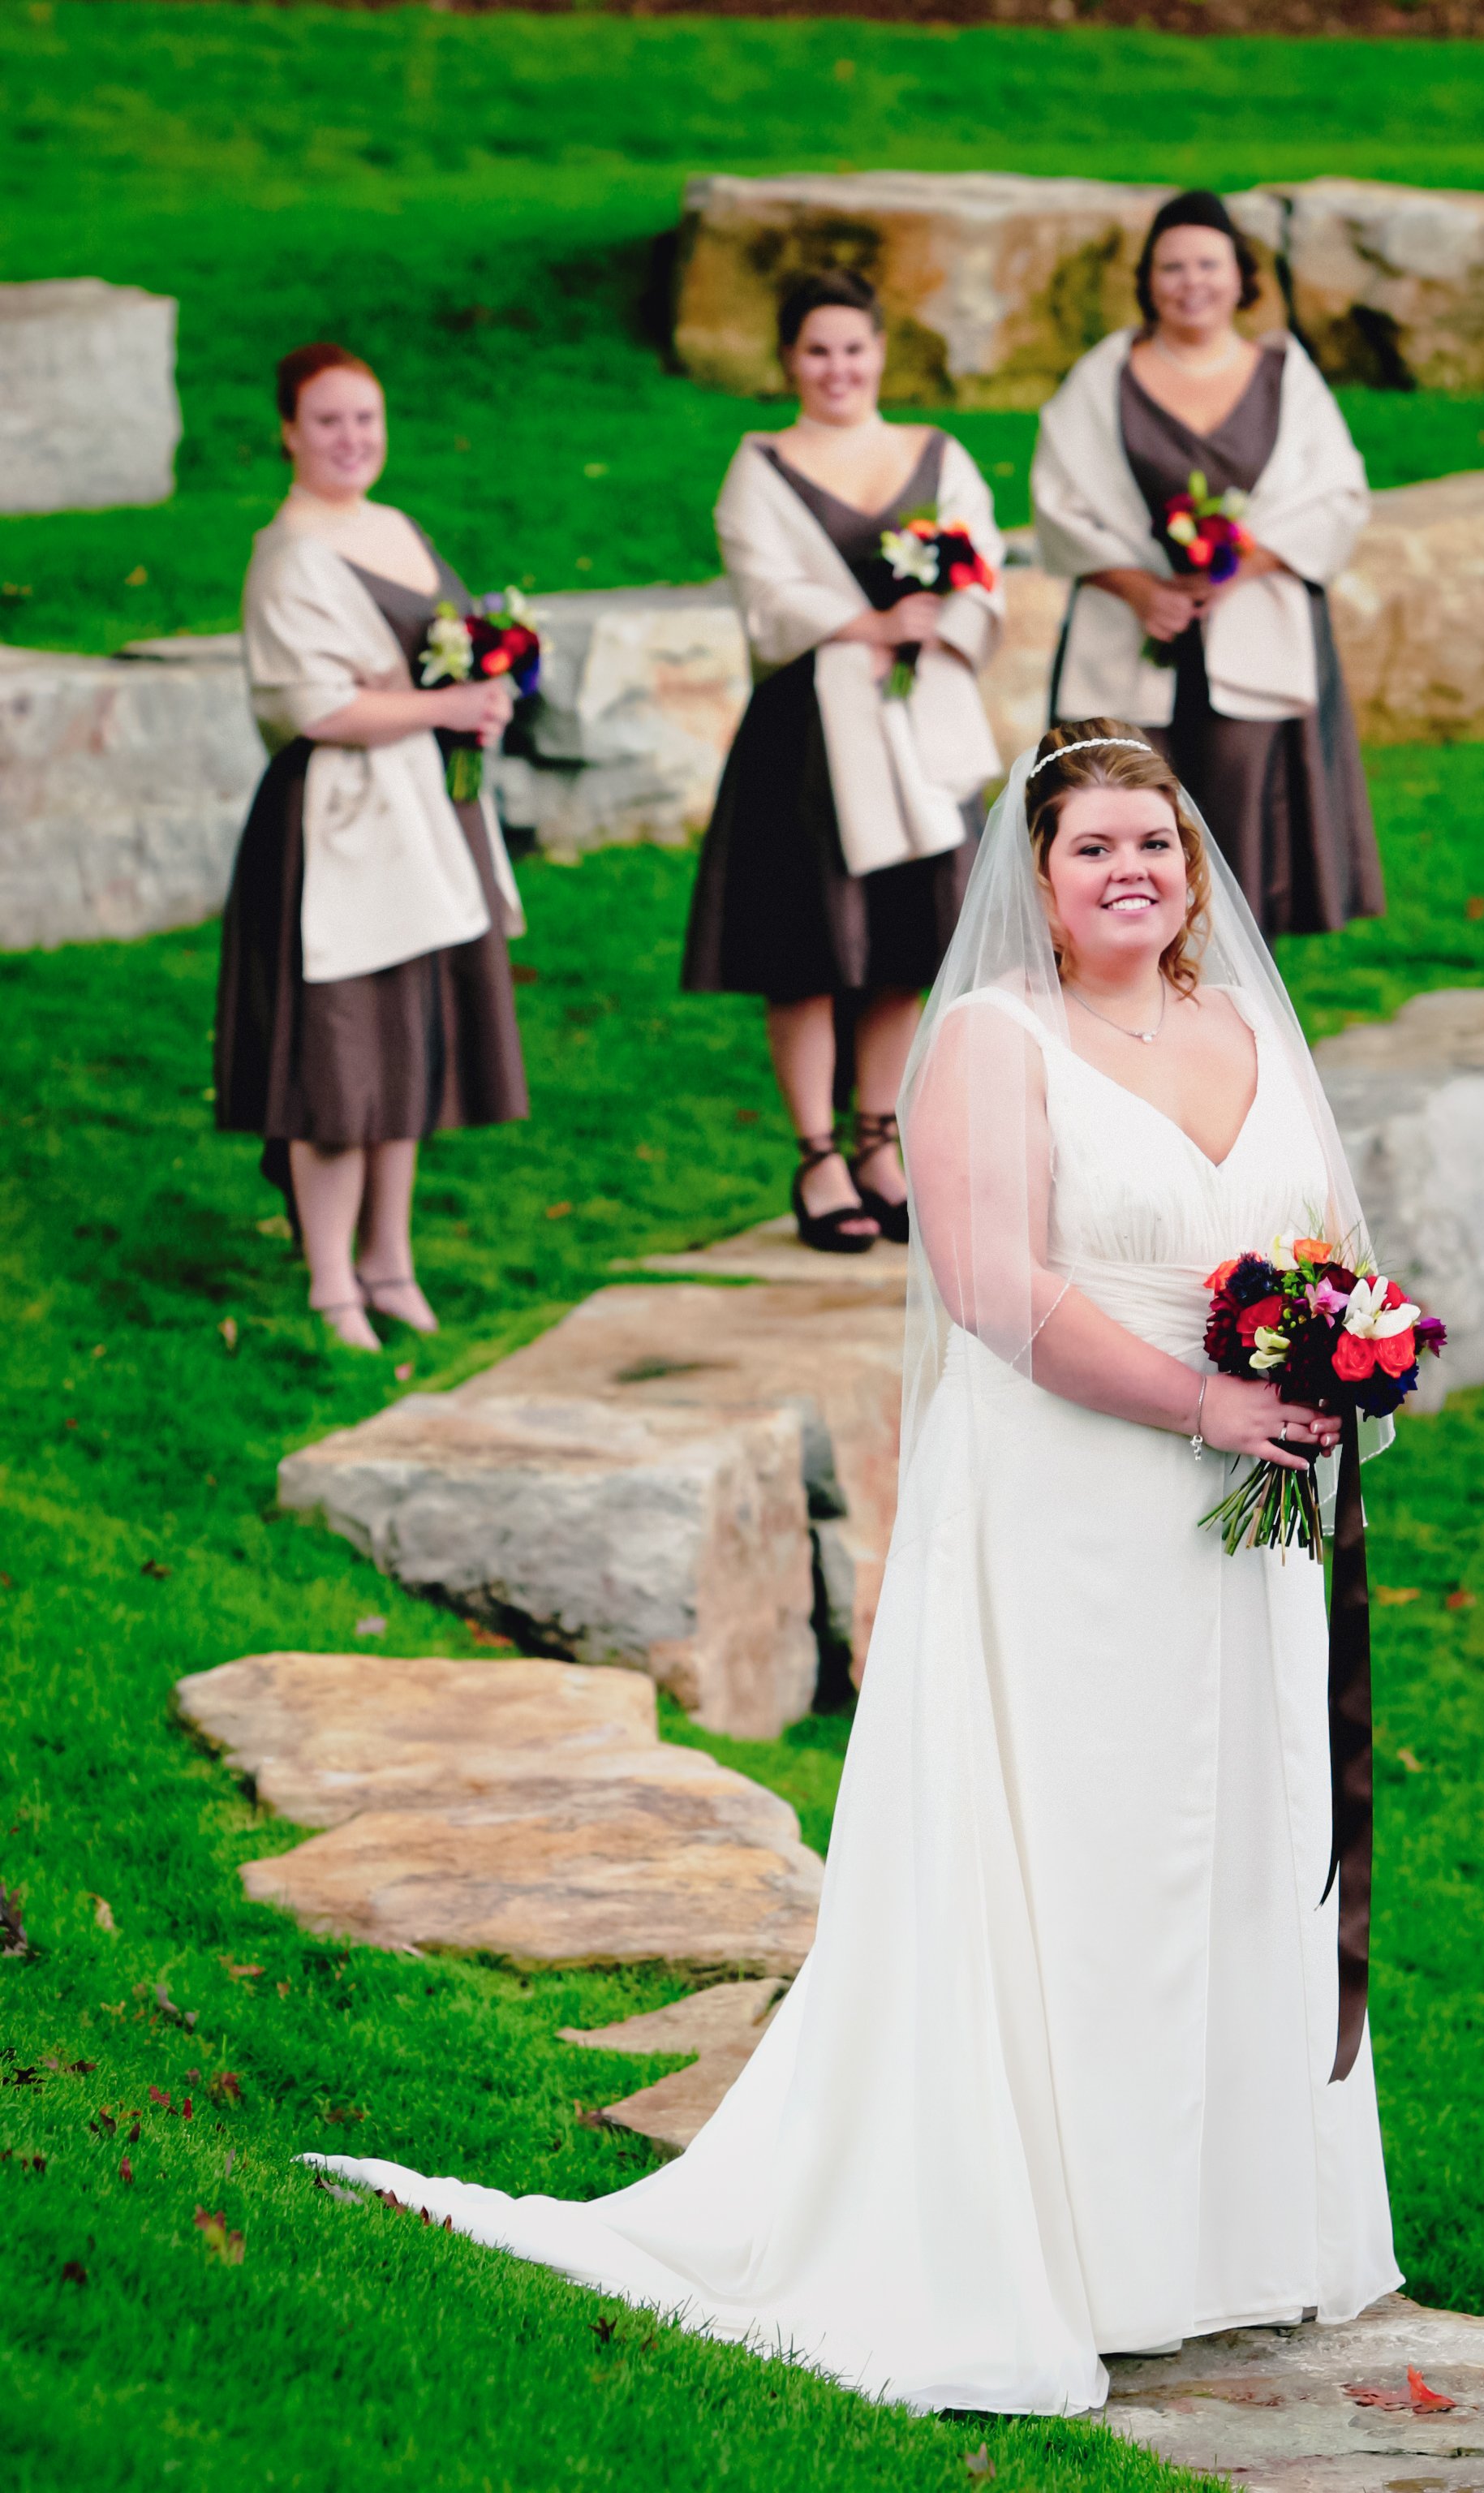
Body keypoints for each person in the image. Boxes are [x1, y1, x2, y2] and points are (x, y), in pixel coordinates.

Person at [312, 722, 1401, 2414]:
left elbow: (1321, 1242)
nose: (1131, 871)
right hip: (1072, 1508)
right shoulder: (988, 1038)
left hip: (1240, 1520)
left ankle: (1226, 2238)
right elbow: (991, 1289)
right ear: (1035, 884)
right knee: (1081, 1847)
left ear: (1193, 874)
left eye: (1157, 847)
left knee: (1241, 1837)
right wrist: (1201, 1397)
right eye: (1094, 848)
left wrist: (1330, 1371)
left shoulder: (1244, 1025)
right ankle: (1064, 2237)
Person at [682, 269, 1004, 1252]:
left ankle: (878, 1141)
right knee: (808, 950)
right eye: (816, 351)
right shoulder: (761, 467)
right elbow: (765, 594)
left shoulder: (934, 454)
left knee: (906, 942)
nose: (836, 368)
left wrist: (934, 619)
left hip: (914, 727)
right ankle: (816, 1154)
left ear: (879, 352)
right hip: (805, 738)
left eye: (853, 349)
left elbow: (981, 559)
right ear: (789, 359)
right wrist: (863, 620)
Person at [215, 342, 528, 1350]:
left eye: (366, 419)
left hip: (428, 816)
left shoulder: (392, 525)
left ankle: (390, 1263)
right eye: (328, 422)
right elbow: (309, 703)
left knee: (409, 1050)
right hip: (339, 827)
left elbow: (458, 650)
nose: (352, 440)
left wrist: (484, 701)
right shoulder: (289, 553)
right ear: (287, 432)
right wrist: (446, 704)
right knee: (339, 1060)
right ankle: (328, 1283)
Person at [1031, 191, 1384, 939]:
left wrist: (1240, 567)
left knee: (1240, 856)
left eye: (1206, 265)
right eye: (1172, 267)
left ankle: (1241, 1032)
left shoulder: (1286, 376)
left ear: (1240, 276)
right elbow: (1057, 503)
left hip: (1252, 638)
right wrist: (1134, 587)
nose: (1190, 282)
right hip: (1132, 640)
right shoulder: (1103, 379)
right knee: (1119, 835)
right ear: (1148, 280)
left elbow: (1338, 497)